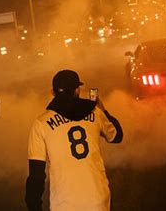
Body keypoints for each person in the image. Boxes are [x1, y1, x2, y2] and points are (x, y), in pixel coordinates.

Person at [25, 70, 123, 211]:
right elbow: (117, 136)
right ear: (77, 90)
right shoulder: (95, 112)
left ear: (53, 92)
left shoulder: (41, 123)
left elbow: (36, 174)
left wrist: (34, 206)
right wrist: (103, 109)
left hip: (64, 204)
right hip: (98, 201)